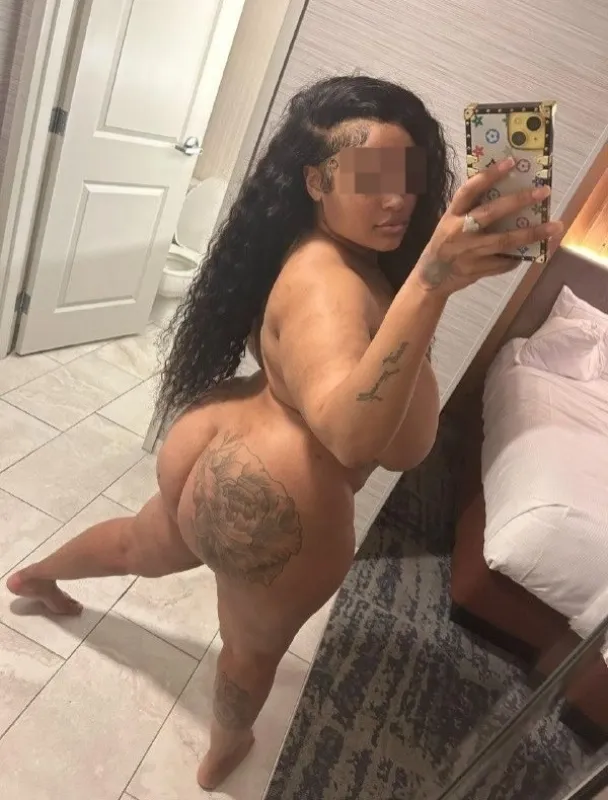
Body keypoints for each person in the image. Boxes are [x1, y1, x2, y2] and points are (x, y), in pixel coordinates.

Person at [6, 76, 562, 790]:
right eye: (371, 178)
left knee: (138, 543)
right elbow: (352, 438)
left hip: (213, 445)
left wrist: (433, 285)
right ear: (316, 180)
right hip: (276, 507)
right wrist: (429, 282)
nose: (397, 199)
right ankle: (225, 748)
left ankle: (35, 576)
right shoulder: (331, 289)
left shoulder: (310, 246)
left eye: (410, 176)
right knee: (250, 652)